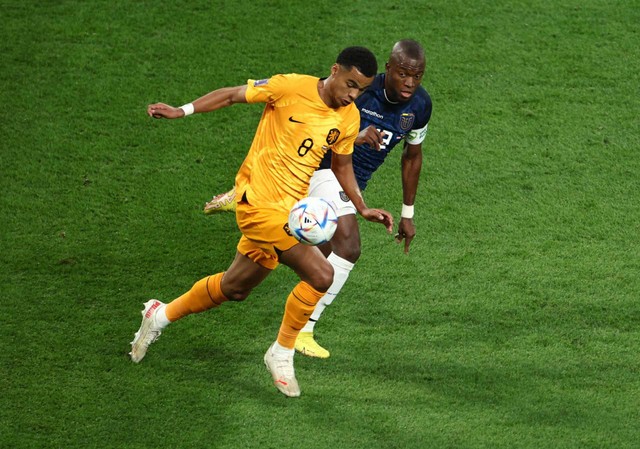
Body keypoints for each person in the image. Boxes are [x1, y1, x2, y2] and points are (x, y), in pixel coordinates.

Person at [129, 46, 394, 398]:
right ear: (334, 70)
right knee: (321, 274)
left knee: (234, 288)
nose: (352, 95)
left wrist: (362, 207)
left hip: (289, 210)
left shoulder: (348, 117)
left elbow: (342, 167)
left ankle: (159, 315)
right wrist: (183, 110)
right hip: (256, 203)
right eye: (349, 84)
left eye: (361, 90)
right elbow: (232, 96)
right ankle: (281, 353)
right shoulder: (289, 87)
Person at [203, 39, 432, 358]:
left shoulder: (420, 107)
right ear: (388, 69)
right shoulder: (362, 87)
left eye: (417, 75)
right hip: (323, 167)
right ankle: (302, 331)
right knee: (348, 247)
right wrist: (359, 135)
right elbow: (321, 116)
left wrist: (408, 213)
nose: (409, 82)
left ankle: (245, 195)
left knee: (313, 253)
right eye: (403, 73)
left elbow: (412, 156)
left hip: (349, 181)